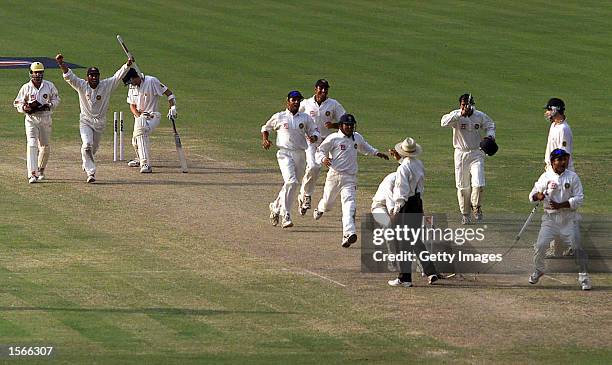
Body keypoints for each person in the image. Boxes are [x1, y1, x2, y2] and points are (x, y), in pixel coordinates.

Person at [313, 113, 389, 247]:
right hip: (334, 176)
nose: (349, 127)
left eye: (351, 125)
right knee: (327, 204)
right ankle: (319, 208)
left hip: (350, 178)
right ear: (341, 126)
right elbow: (319, 151)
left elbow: (365, 146)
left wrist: (377, 153)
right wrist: (323, 159)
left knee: (349, 205)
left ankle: (348, 234)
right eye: (347, 125)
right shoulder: (333, 138)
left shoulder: (356, 137)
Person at [56, 54, 133, 183]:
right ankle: (91, 173)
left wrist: (128, 65)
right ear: (88, 77)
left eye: (96, 75)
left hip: (100, 123)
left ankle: (86, 161)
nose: (94, 78)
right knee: (87, 145)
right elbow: (69, 76)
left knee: (93, 148)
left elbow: (118, 76)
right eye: (91, 76)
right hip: (85, 121)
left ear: (99, 76)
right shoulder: (82, 85)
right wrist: (61, 63)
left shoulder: (106, 85)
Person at [528, 148, 591, 290]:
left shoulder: (573, 177)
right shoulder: (545, 177)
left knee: (576, 246)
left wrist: (561, 205)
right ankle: (539, 269)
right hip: (550, 220)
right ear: (552, 162)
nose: (563, 162)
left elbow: (579, 198)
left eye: (565, 159)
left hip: (569, 219)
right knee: (540, 245)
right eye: (560, 160)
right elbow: (531, 195)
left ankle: (583, 276)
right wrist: (538, 196)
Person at [385, 138, 439, 287]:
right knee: (414, 239)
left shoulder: (403, 168)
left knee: (403, 242)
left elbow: (401, 191)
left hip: (406, 205)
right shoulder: (418, 164)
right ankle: (430, 271)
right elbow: (418, 185)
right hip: (417, 202)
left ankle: (405, 278)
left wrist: (396, 210)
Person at [262, 90, 319, 228]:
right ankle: (285, 214)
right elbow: (265, 127)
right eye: (293, 100)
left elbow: (314, 130)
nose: (296, 102)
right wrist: (265, 139)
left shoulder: (305, 118)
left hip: (300, 154)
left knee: (292, 185)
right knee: (291, 181)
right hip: (284, 153)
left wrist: (314, 137)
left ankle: (275, 207)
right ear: (288, 101)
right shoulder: (280, 116)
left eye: (298, 100)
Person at [441, 93, 496, 224]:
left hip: (477, 152)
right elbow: (443, 122)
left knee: (478, 182)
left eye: (468, 104)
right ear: (460, 104)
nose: (465, 107)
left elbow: (490, 125)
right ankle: (465, 214)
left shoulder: (479, 116)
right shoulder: (456, 115)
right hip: (460, 154)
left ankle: (476, 206)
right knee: (462, 186)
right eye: (463, 104)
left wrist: (490, 136)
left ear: (472, 105)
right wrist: (459, 114)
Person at [297, 79, 346, 216]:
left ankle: (327, 203)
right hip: (311, 141)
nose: (323, 91)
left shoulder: (333, 104)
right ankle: (306, 195)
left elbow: (346, 120)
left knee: (339, 170)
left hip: (328, 142)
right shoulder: (306, 104)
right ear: (315, 89)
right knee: (313, 166)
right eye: (321, 88)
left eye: (326, 89)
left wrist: (334, 126)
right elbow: (294, 117)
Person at [122, 68, 177, 173]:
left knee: (141, 133)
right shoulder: (132, 86)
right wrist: (139, 115)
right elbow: (132, 106)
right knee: (135, 141)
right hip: (139, 117)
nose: (131, 85)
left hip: (153, 116)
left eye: (131, 81)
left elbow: (170, 94)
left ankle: (145, 164)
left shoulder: (152, 81)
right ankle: (139, 159)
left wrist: (173, 108)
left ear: (136, 77)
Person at [13, 62, 60, 183]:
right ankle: (32, 174)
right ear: (31, 73)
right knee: (32, 144)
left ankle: (41, 169)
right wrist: (25, 108)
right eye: (36, 72)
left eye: (40, 72)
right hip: (31, 119)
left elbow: (56, 99)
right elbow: (17, 102)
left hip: (45, 118)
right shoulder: (26, 87)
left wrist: (49, 105)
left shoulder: (49, 86)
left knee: (44, 146)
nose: (38, 75)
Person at [543, 98, 575, 257]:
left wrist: (556, 176)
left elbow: (563, 156)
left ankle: (557, 248)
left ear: (555, 110)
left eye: (548, 109)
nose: (546, 113)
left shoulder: (563, 129)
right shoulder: (554, 126)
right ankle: (565, 245)